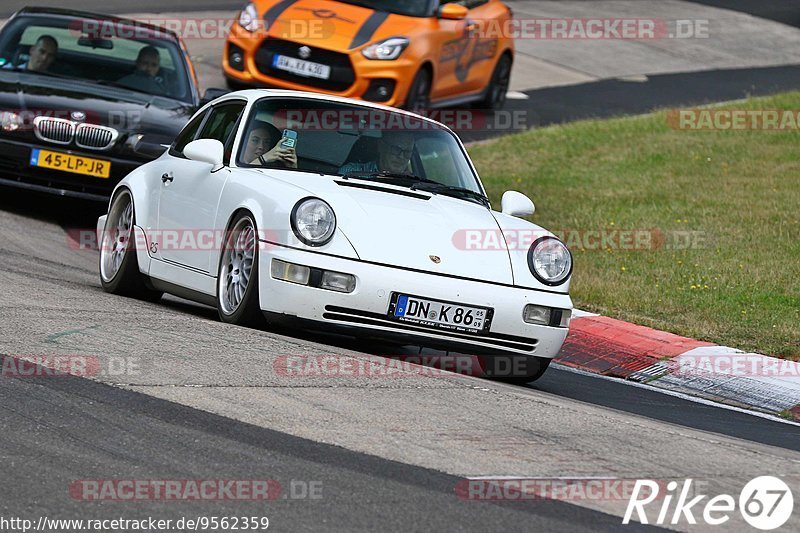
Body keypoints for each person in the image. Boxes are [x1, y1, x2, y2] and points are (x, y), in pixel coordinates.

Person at [339, 131, 414, 175]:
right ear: (381, 146)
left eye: (407, 152)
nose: (401, 156)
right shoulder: (350, 173)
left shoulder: (415, 184)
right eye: (396, 149)